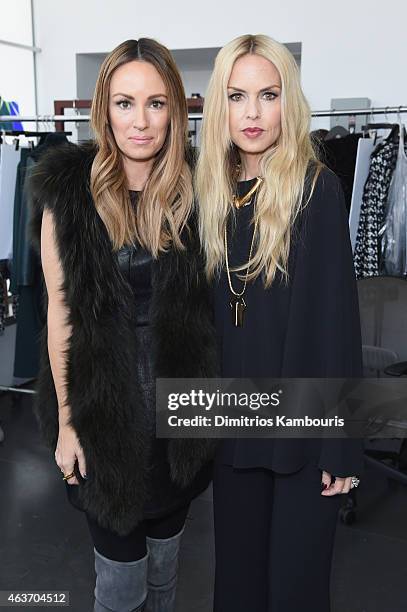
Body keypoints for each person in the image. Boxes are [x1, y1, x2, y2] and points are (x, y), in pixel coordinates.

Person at [30, 38, 218, 612]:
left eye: (157, 103)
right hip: (101, 417)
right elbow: (60, 313)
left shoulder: (199, 191)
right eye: (125, 103)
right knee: (119, 588)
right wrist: (67, 423)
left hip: (177, 421)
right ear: (103, 110)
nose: (141, 121)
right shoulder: (69, 194)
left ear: (176, 110)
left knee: (164, 576)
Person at [195, 34, 364, 612]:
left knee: (294, 589)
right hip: (232, 428)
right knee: (236, 588)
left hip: (302, 435)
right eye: (237, 96)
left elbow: (336, 326)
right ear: (220, 105)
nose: (252, 113)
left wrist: (342, 447)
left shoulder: (317, 190)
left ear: (287, 101)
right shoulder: (209, 197)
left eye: (267, 95)